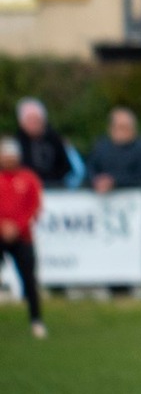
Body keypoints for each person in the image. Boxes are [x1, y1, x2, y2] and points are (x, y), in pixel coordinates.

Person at [0, 137, 45, 339]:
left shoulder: (28, 178)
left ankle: (36, 321)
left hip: (23, 236)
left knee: (29, 278)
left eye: (11, 156)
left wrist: (17, 226)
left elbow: (34, 206)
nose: (8, 160)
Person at [13, 100, 78, 188]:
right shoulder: (15, 144)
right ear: (22, 122)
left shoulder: (55, 140)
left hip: (55, 190)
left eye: (36, 119)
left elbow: (66, 168)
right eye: (29, 119)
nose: (33, 123)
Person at [85, 107, 141, 192]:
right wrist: (96, 180)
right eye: (118, 127)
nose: (121, 131)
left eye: (125, 127)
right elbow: (90, 167)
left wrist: (114, 181)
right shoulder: (101, 145)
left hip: (131, 197)